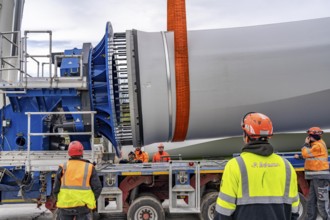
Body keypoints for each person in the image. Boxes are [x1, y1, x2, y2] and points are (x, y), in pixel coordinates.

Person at [214, 112, 299, 220]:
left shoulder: (235, 165)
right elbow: (294, 211)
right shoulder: (287, 166)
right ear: (269, 136)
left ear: (246, 136)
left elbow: (224, 212)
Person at [53, 141, 102, 220]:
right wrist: (91, 201)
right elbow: (97, 188)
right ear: (81, 152)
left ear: (69, 152)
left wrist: (60, 200)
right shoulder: (89, 167)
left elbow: (55, 188)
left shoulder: (63, 167)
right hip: (83, 207)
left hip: (65, 206)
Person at [294, 127, 330, 220]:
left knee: (322, 201)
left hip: (320, 176)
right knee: (311, 201)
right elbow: (311, 156)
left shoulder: (317, 145)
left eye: (309, 136)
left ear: (312, 136)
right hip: (316, 176)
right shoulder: (315, 145)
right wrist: (300, 157)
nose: (308, 138)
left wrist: (305, 144)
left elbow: (307, 153)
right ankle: (310, 218)